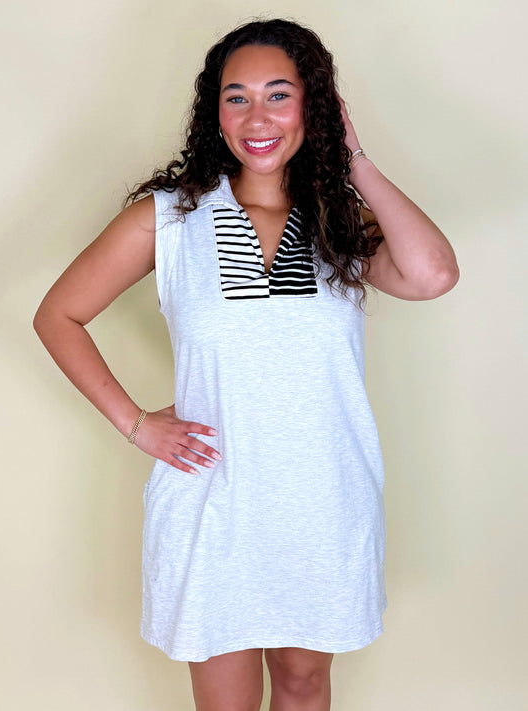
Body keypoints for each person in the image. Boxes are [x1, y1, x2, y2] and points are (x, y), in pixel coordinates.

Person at [34, 17, 459, 711]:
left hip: (322, 497)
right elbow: (58, 315)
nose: (257, 118)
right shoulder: (169, 219)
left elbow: (433, 273)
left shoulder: (339, 221)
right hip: (214, 500)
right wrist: (136, 423)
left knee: (303, 682)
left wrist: (353, 158)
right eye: (237, 98)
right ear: (216, 112)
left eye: (278, 95)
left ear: (314, 106)